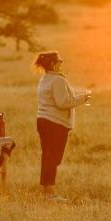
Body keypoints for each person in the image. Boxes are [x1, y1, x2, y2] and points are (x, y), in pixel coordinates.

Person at [35, 51, 89, 202]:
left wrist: (75, 97)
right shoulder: (58, 80)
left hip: (43, 120)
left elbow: (60, 99)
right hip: (55, 123)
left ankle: (47, 192)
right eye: (59, 61)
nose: (61, 63)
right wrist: (82, 98)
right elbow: (62, 102)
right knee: (53, 157)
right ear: (53, 64)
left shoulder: (45, 78)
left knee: (47, 156)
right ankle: (51, 194)